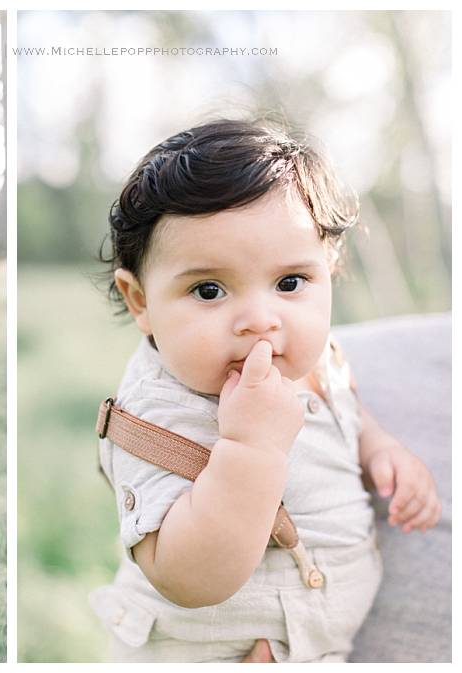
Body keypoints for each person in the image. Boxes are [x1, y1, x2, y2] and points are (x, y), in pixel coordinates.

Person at [90, 119, 440, 662]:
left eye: (289, 283)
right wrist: (251, 450)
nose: (260, 320)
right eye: (209, 290)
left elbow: (344, 406)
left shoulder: (314, 357)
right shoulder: (155, 414)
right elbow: (188, 576)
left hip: (315, 643)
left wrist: (382, 451)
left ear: (329, 271)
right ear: (140, 302)